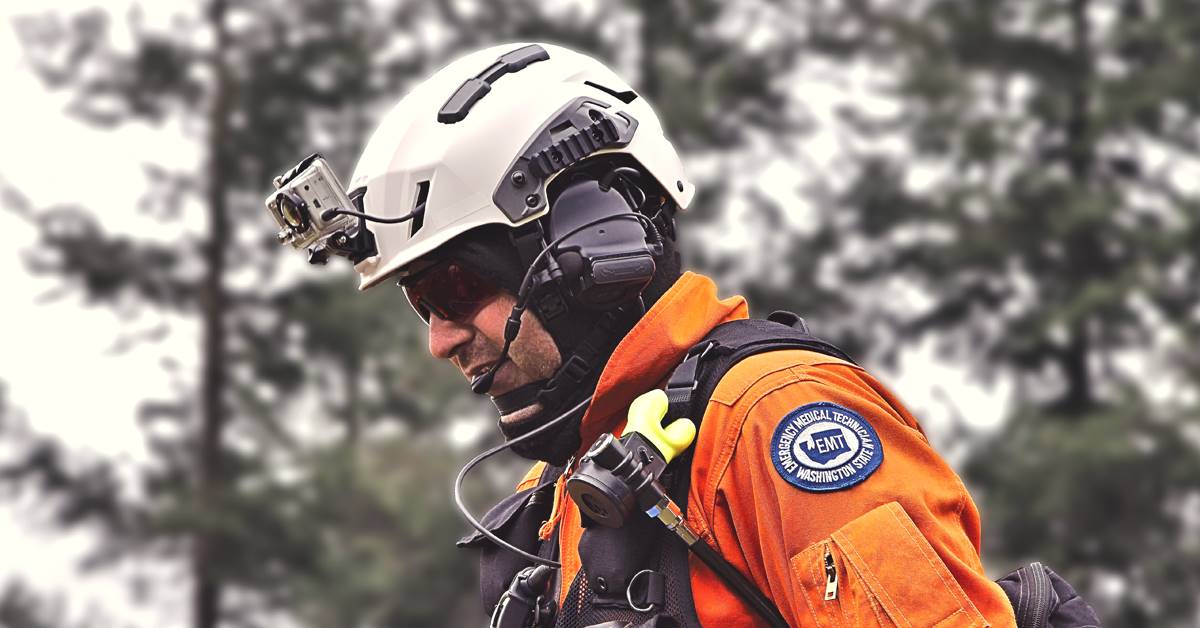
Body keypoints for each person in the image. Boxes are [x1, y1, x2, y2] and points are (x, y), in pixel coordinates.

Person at [270, 42, 1085, 627]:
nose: (441, 341)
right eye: (421, 303)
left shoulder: (779, 424)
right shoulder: (562, 500)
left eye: (456, 288)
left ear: (592, 244)